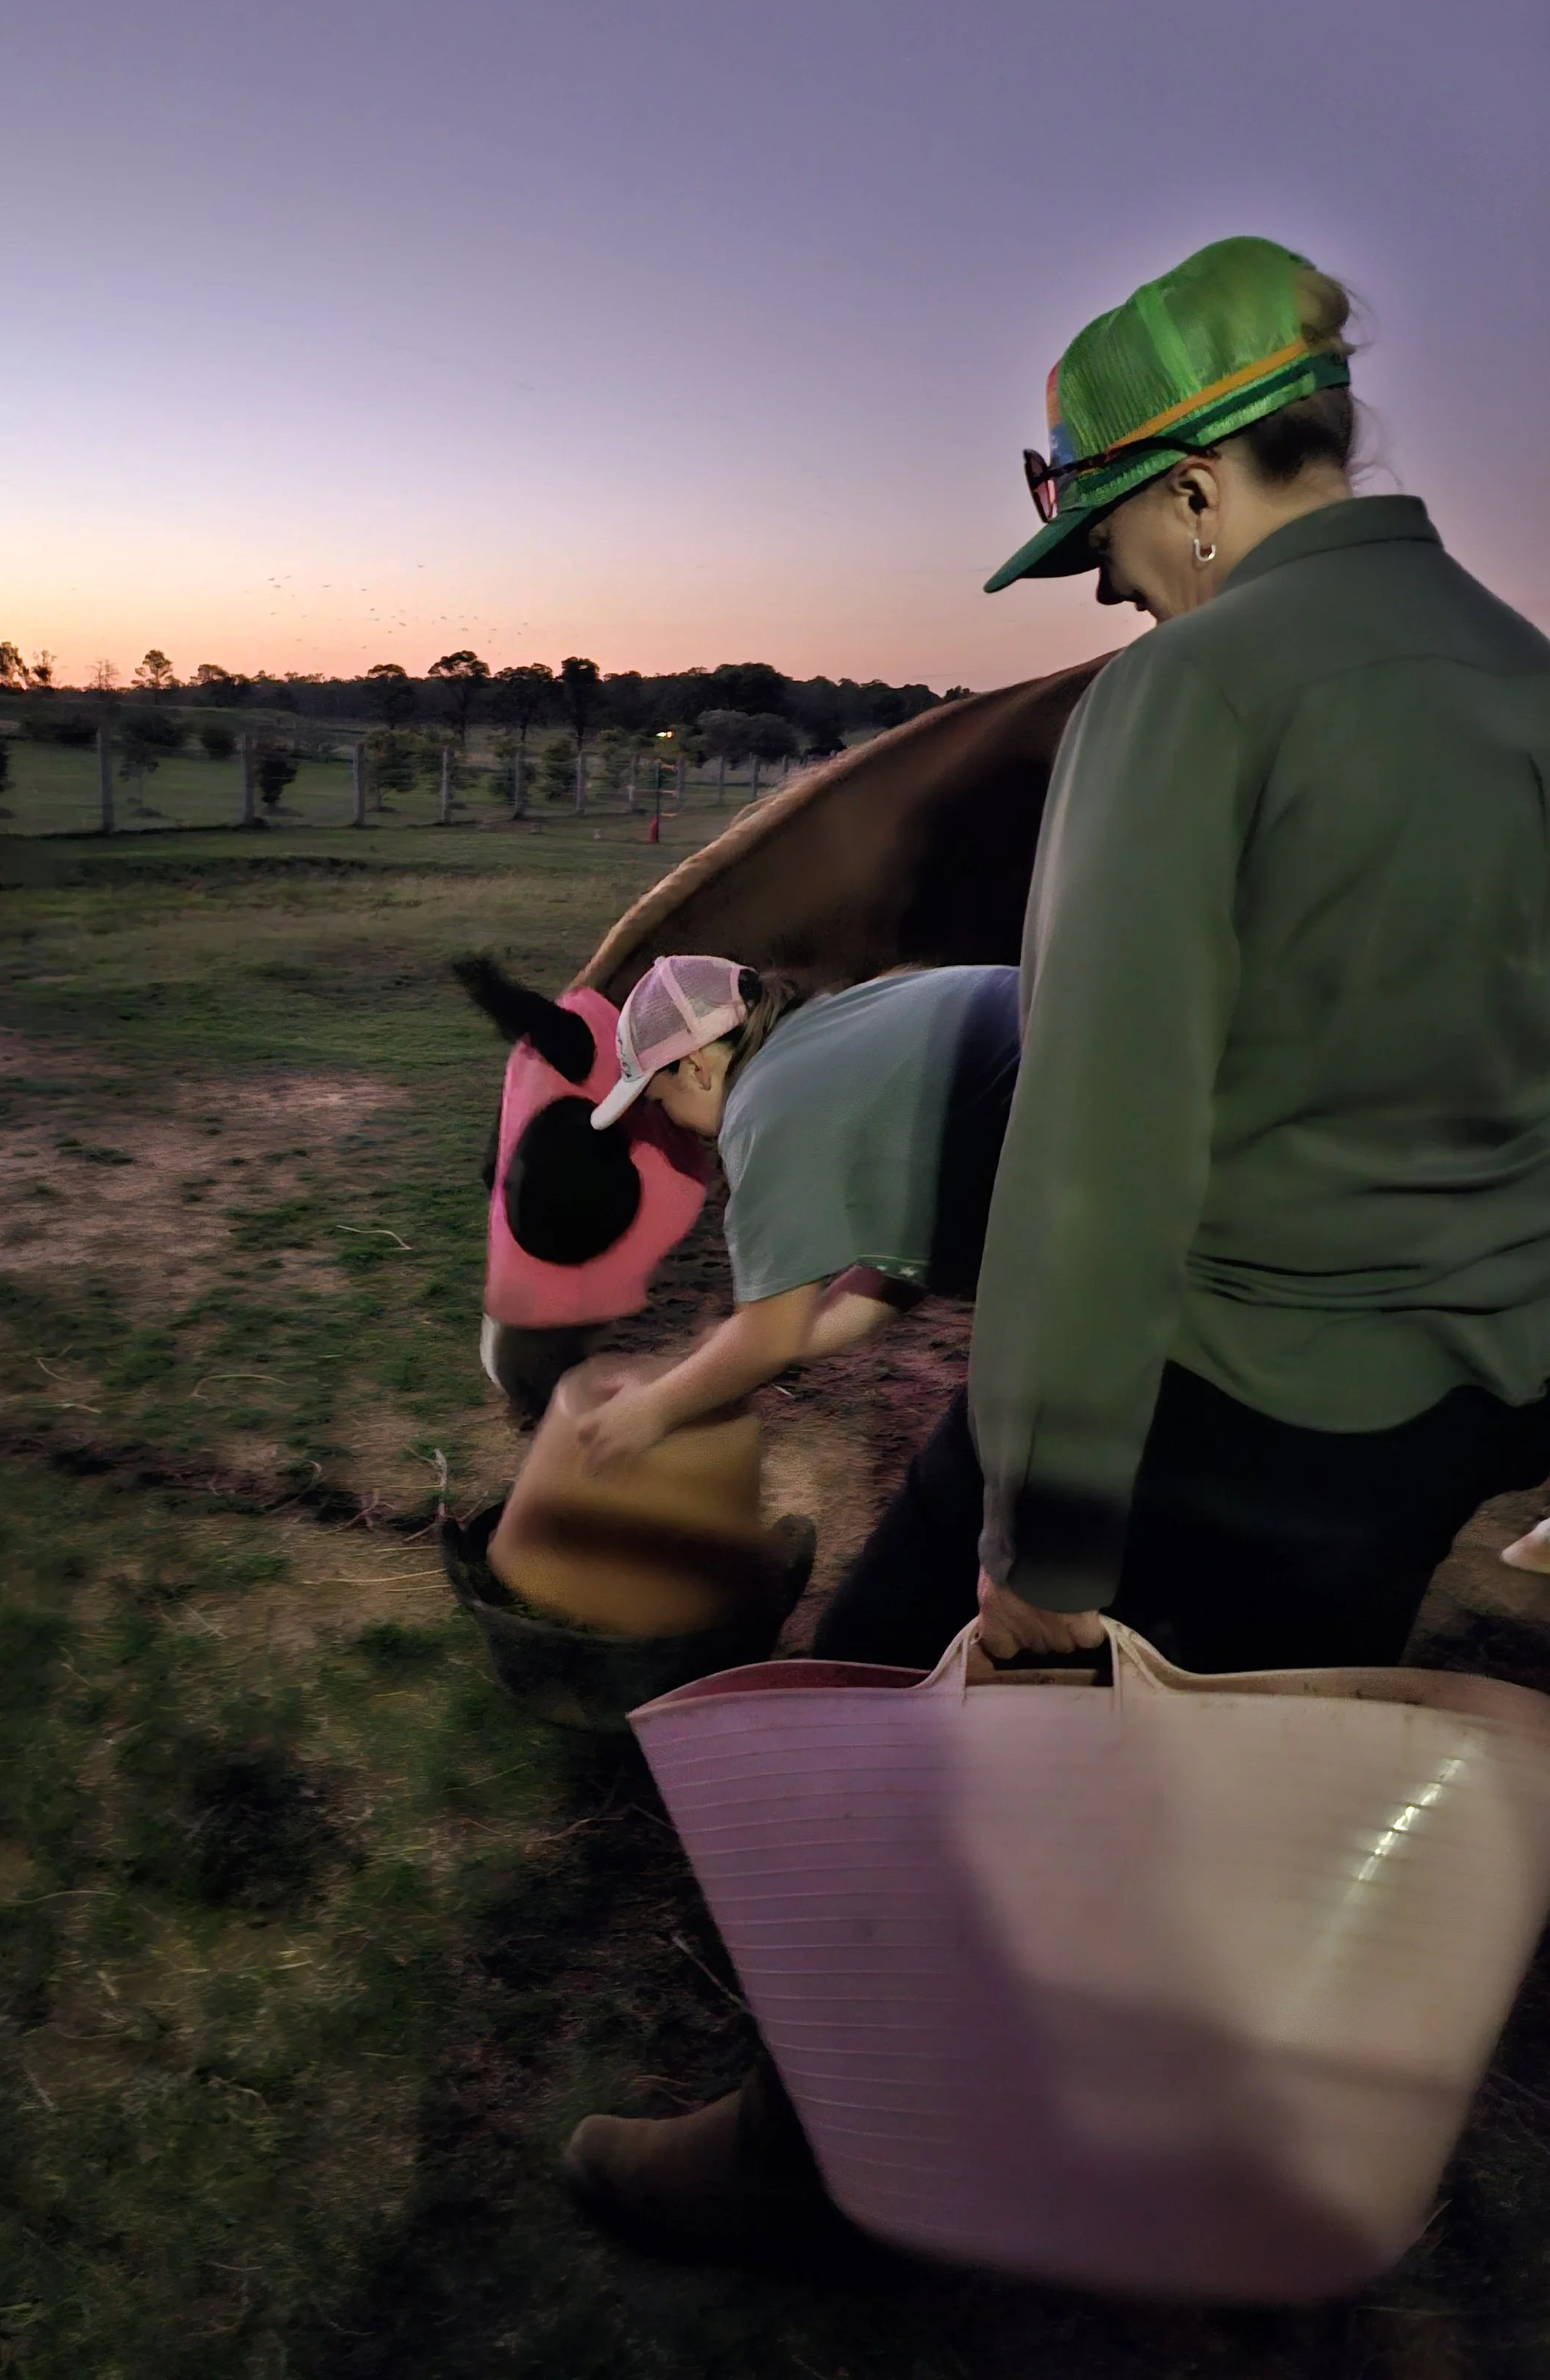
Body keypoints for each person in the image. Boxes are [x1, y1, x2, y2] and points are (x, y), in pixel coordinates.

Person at [563, 233, 1550, 2265]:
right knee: (1225, 1803)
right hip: (1437, 1418)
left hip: (1212, 1390)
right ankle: (1168, 2154)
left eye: (1109, 533)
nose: (1108, 585)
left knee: (872, 1728)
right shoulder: (1526, 686)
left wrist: (1047, 1536)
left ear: (1199, 487)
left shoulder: (1194, 693)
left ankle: (813, 2159)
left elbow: (1100, 1149)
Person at [572, 949, 1021, 1477]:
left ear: (695, 1067)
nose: (671, 1120)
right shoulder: (830, 1031)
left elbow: (768, 1337)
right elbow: (899, 1268)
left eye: (659, 1100)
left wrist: (652, 1409)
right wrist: (747, 1350)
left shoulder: (764, 1106)